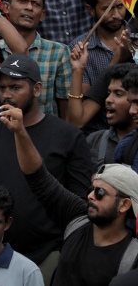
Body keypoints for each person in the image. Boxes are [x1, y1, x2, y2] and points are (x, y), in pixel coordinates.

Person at [0, 54, 95, 269]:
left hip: (49, 254)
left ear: (36, 89)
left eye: (15, 87)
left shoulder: (68, 136)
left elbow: (80, 204)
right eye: (2, 88)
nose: (6, 95)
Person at [9, 100, 138, 284]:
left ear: (125, 204)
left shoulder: (133, 256)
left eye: (100, 193)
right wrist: (20, 131)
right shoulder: (76, 218)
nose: (91, 196)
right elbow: (38, 178)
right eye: (91, 189)